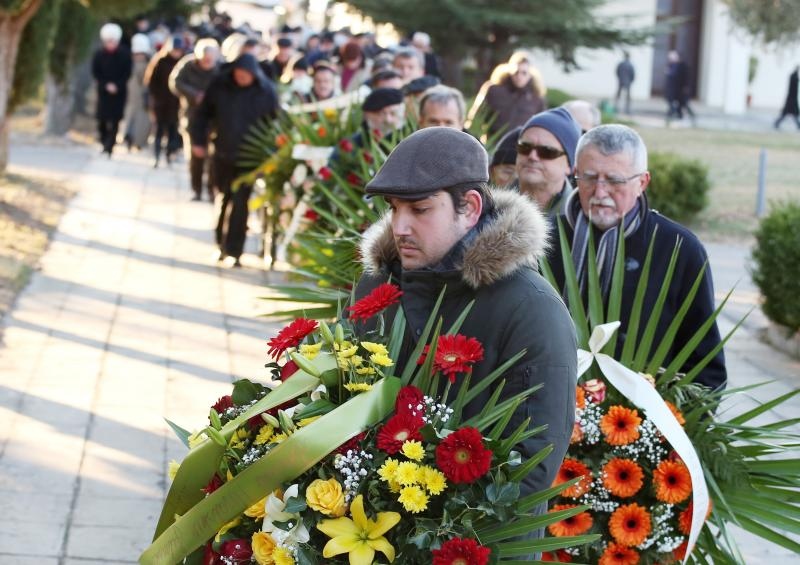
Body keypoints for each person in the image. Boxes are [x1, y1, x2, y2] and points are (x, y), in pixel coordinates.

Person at [354, 126, 576, 510]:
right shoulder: (376, 284)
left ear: (470, 208)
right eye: (394, 208)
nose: (400, 226)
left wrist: (418, 527)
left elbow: (529, 470)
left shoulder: (532, 309)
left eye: (420, 209)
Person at [546, 124, 726, 391]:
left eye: (615, 180)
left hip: (637, 420)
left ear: (642, 182)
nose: (600, 192)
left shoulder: (679, 249)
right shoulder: (543, 239)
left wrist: (671, 422)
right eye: (589, 177)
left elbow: (705, 366)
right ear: (575, 174)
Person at [190, 54, 279, 267]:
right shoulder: (220, 86)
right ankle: (220, 244)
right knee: (222, 198)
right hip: (221, 153)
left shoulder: (265, 92)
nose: (241, 79)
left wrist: (269, 158)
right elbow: (201, 115)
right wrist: (198, 140)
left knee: (241, 203)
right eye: (238, 75)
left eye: (245, 76)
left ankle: (235, 251)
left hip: (250, 158)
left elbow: (275, 126)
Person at [170, 37, 220, 201]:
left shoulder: (220, 69)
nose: (207, 63)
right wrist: (193, 94)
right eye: (204, 60)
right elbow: (175, 82)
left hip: (214, 118)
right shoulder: (188, 65)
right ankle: (196, 189)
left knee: (213, 157)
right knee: (195, 155)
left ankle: (212, 189)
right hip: (192, 115)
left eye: (210, 61)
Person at [515, 108, 581, 215]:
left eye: (547, 151)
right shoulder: (489, 205)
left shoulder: (576, 221)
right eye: (525, 147)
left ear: (569, 165)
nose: (532, 156)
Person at [467, 51, 547, 137]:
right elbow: (475, 118)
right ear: (510, 71)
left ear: (530, 74)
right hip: (491, 143)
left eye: (524, 73)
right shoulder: (493, 90)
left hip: (518, 146)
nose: (519, 76)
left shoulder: (537, 99)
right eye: (516, 72)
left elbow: (540, 128)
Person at [92, 23, 132, 156]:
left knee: (115, 120)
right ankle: (104, 142)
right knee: (102, 119)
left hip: (119, 92)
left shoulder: (125, 54)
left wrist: (117, 86)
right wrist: (106, 85)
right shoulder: (99, 54)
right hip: (103, 91)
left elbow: (127, 73)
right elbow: (96, 72)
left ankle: (110, 145)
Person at [145, 36, 185, 168]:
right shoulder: (160, 61)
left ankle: (169, 155)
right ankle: (156, 156)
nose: (176, 53)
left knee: (173, 131)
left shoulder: (183, 63)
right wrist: (155, 99)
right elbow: (151, 82)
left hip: (176, 104)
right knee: (159, 131)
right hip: (161, 103)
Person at [123, 33, 152, 151]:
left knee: (141, 119)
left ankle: (138, 141)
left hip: (143, 96)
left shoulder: (147, 65)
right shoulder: (130, 63)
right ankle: (128, 138)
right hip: (132, 96)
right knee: (131, 117)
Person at [665, 50, 695, 124]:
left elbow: (686, 78)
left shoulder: (683, 66)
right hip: (673, 88)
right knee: (676, 102)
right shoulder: (671, 65)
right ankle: (675, 114)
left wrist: (686, 87)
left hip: (680, 88)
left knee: (683, 103)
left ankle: (685, 114)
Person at [774, 66, 800, 130]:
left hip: (791, 99)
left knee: (792, 115)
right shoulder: (794, 77)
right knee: (791, 115)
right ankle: (776, 123)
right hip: (792, 100)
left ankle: (777, 123)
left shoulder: (793, 76)